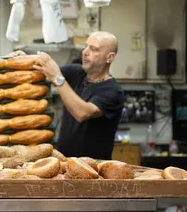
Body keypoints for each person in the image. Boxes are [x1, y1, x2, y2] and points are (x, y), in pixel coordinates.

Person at [32, 31, 124, 159]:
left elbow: (82, 113)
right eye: (85, 46)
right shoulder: (76, 72)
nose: (85, 52)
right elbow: (43, 70)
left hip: (94, 169)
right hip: (64, 163)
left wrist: (58, 78)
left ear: (110, 57)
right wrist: (24, 58)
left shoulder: (112, 91)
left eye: (93, 49)